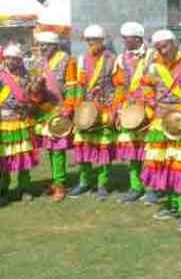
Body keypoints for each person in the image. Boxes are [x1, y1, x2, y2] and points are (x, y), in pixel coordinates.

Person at [140, 30, 181, 230]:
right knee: (163, 165)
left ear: (175, 44)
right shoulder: (154, 66)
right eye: (158, 47)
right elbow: (144, 84)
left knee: (180, 167)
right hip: (159, 122)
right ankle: (172, 205)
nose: (161, 51)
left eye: (165, 46)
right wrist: (150, 100)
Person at [69, 25, 117, 199]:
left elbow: (118, 86)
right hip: (86, 109)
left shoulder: (112, 59)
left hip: (105, 107)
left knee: (103, 147)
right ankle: (84, 182)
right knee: (83, 146)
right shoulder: (81, 59)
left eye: (94, 40)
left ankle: (102, 184)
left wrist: (114, 110)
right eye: (88, 40)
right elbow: (79, 86)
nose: (91, 44)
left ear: (102, 41)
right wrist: (76, 108)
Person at [33, 31, 78, 201]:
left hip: (60, 109)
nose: (43, 48)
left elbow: (73, 86)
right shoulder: (39, 62)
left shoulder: (67, 60)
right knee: (50, 149)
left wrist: (68, 107)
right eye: (41, 45)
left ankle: (60, 184)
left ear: (55, 46)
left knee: (58, 149)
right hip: (44, 110)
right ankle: (55, 179)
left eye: (46, 45)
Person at [113, 22, 153, 202]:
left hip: (150, 109)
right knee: (133, 150)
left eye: (126, 38)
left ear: (137, 38)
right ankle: (135, 186)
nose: (124, 42)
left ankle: (152, 188)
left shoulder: (153, 56)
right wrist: (119, 106)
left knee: (151, 151)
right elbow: (120, 85)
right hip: (130, 109)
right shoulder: (122, 58)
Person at [0, 43, 40, 205]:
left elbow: (34, 97)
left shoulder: (28, 76)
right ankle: (3, 190)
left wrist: (30, 104)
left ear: (19, 60)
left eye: (14, 59)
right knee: (4, 158)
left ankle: (25, 189)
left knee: (24, 158)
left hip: (22, 121)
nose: (11, 61)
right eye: (8, 58)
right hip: (3, 123)